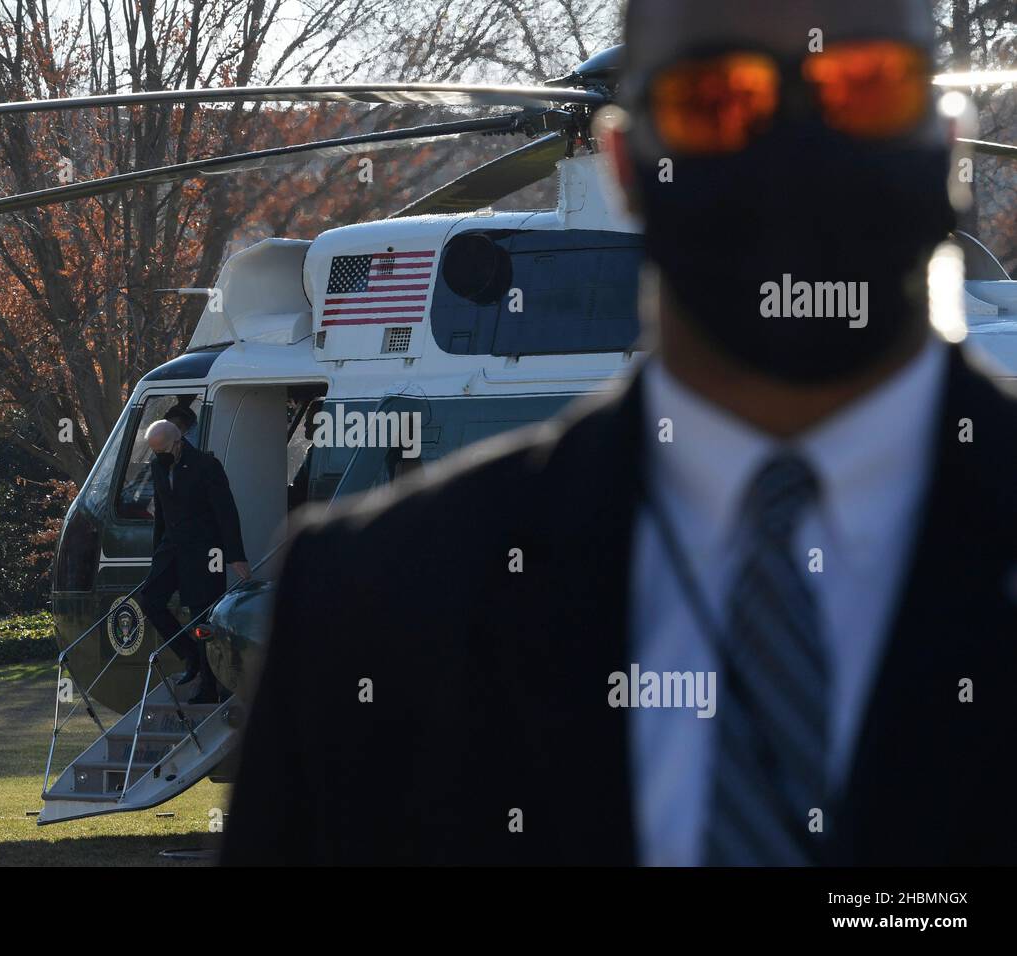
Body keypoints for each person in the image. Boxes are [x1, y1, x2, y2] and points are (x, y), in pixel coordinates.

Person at [223, 0, 1017, 865]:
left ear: (947, 136)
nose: (795, 142)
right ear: (622, 160)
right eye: (715, 98)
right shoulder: (372, 608)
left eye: (865, 88)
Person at [137, 419, 250, 704]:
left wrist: (235, 556)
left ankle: (210, 686)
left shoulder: (206, 466)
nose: (158, 456)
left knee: (202, 615)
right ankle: (190, 656)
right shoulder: (157, 466)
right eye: (154, 451)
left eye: (161, 450)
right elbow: (161, 513)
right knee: (150, 600)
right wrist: (157, 555)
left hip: (204, 551)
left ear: (177, 443)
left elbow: (226, 513)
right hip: (171, 548)